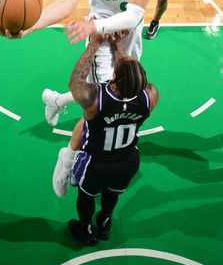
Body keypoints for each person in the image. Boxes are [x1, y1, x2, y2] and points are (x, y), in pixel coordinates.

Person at [0, 0, 160, 195]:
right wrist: (28, 27)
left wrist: (95, 26)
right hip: (99, 45)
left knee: (121, 93)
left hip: (123, 39)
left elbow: (135, 15)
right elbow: (65, 3)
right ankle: (67, 157)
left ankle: (57, 101)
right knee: (101, 107)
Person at [64, 32, 158, 246]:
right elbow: (132, 77)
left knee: (86, 197)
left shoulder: (95, 98)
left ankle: (86, 228)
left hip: (96, 164)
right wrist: (117, 45)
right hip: (127, 161)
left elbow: (75, 81)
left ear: (115, 77)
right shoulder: (150, 97)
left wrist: (93, 46)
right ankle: (105, 221)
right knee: (112, 193)